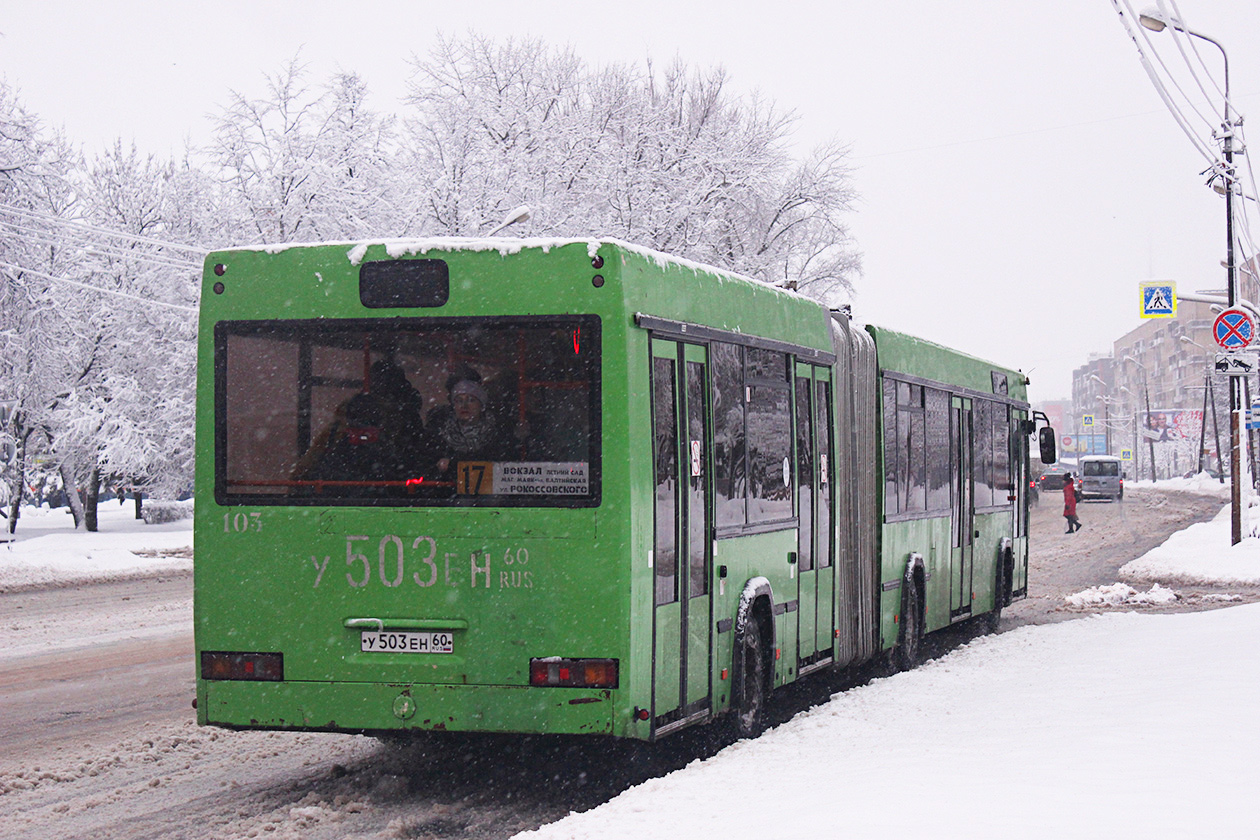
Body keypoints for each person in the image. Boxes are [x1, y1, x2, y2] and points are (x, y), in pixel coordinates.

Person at [429, 375, 508, 474]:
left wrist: (452, 464)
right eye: (459, 401)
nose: (464, 406)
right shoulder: (440, 434)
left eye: (471, 400)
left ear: (481, 405)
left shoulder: (497, 432)